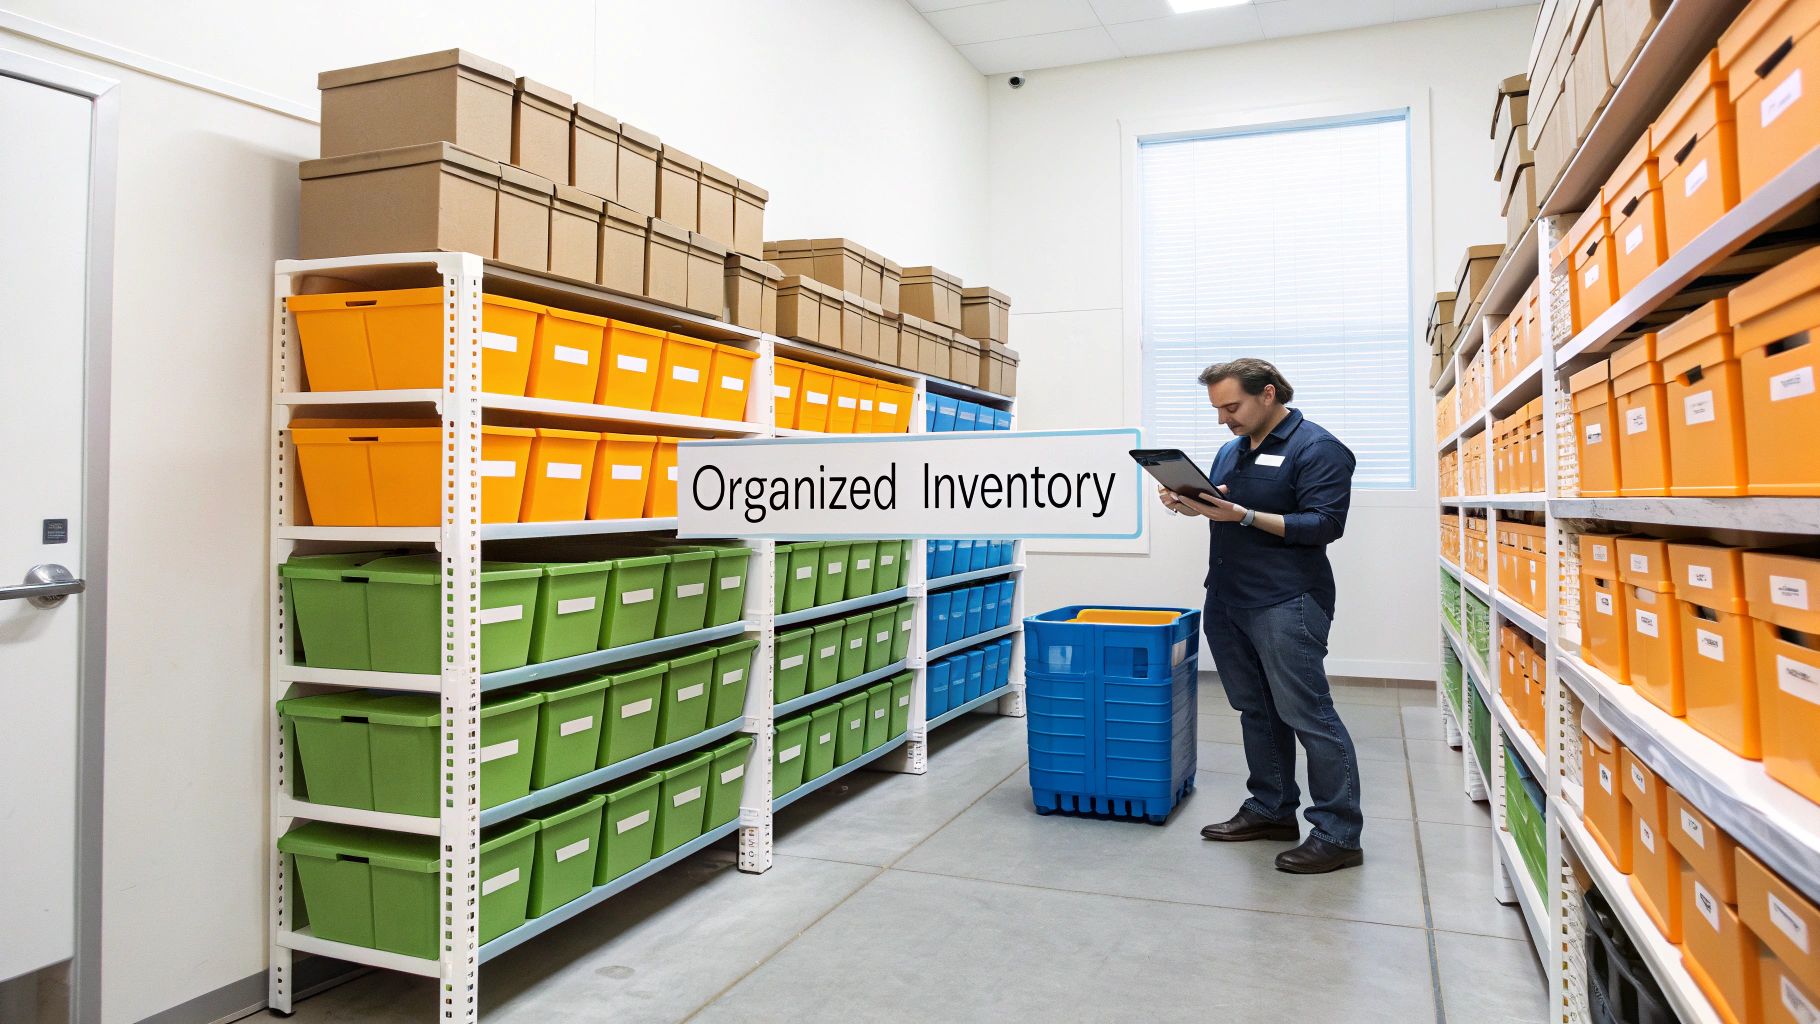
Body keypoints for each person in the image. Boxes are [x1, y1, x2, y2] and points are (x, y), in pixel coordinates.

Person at [1157, 358, 1364, 874]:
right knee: (1255, 710)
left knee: (1308, 714)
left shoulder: (1318, 448)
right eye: (1218, 409)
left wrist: (1245, 515)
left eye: (1232, 406)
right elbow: (1222, 508)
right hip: (1229, 597)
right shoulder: (1231, 450)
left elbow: (1323, 524)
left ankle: (1338, 834)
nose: (1224, 419)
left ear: (1267, 393)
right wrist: (1186, 504)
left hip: (1287, 599)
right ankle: (1272, 808)